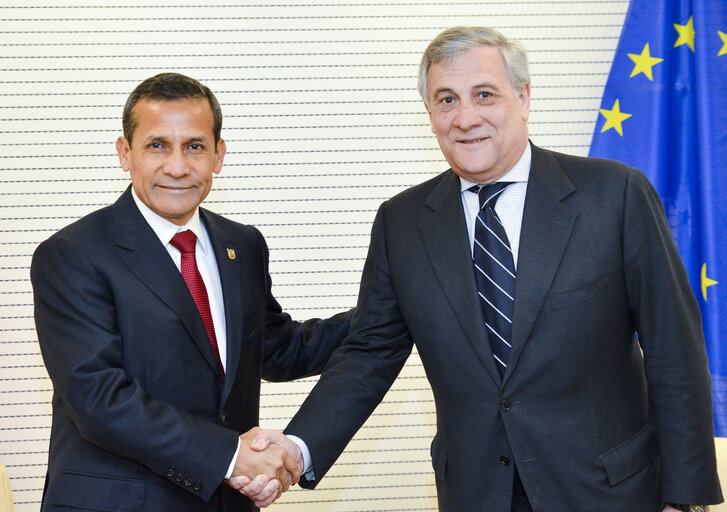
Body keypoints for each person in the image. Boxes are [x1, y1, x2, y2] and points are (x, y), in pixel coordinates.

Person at [249, 26, 724, 511]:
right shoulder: (402, 222)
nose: (465, 117)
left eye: (484, 95)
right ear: (430, 113)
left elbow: (675, 351)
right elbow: (369, 353)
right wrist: (296, 447)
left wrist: (684, 499)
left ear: (522, 97)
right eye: (446, 99)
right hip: (478, 493)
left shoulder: (613, 194)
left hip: (611, 491)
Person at [30, 72, 350, 512]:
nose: (177, 167)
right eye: (157, 145)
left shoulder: (242, 243)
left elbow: (276, 349)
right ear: (125, 153)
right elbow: (100, 400)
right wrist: (231, 456)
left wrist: (390, 309)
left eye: (195, 146)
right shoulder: (73, 255)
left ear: (218, 155)